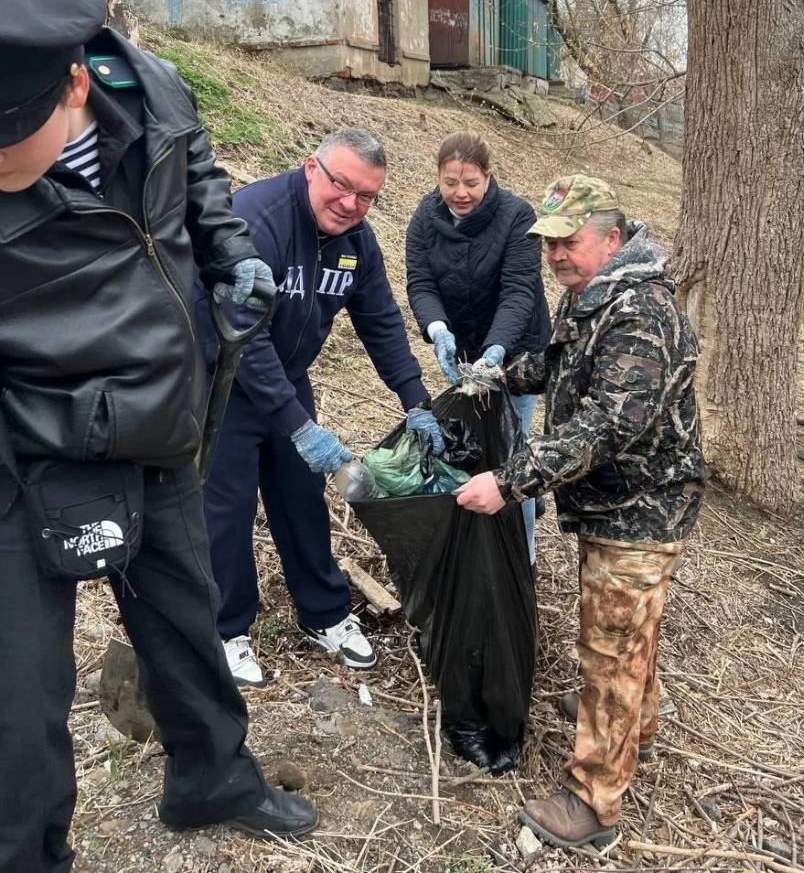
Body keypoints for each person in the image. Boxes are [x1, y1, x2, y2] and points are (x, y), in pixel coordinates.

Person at [0, 0, 317, 873]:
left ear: (74, 80)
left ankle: (211, 778)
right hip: (32, 443)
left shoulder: (157, 90)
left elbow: (200, 182)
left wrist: (228, 255)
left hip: (158, 420)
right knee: (19, 698)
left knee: (185, 617)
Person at [456, 174, 705, 851]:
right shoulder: (592, 297)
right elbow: (561, 366)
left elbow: (604, 425)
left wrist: (509, 482)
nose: (558, 254)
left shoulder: (641, 315)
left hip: (641, 511)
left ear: (613, 238)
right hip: (612, 504)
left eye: (571, 241)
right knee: (628, 635)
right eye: (550, 243)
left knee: (612, 648)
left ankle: (595, 802)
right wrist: (497, 375)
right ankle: (638, 720)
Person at [201, 128, 444, 686]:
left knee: (301, 498)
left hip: (286, 380)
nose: (351, 204)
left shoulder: (357, 241)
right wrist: (299, 426)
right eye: (342, 185)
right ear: (312, 168)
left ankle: (324, 612)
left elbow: (381, 322)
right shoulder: (256, 220)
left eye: (367, 196)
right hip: (222, 383)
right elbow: (243, 335)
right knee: (225, 512)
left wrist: (416, 402)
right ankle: (226, 630)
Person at [405, 131, 551, 562]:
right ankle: (475, 547)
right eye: (451, 182)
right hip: (464, 350)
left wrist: (495, 352)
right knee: (472, 447)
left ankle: (521, 559)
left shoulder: (517, 216)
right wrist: (437, 329)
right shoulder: (425, 218)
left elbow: (519, 292)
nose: (460, 192)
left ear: (488, 176)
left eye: (470, 182)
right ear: (438, 177)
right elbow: (421, 282)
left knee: (512, 454)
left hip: (516, 353)